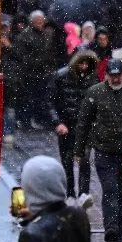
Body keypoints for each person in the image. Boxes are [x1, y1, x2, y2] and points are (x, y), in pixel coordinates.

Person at [75, 59, 122, 242]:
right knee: (110, 190)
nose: (115, 79)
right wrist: (79, 150)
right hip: (104, 150)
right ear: (106, 75)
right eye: (112, 75)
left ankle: (117, 230)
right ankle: (111, 228)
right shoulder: (95, 93)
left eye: (118, 75)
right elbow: (84, 122)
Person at [52, 52, 99, 203]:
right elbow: (51, 102)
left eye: (87, 64)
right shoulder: (61, 77)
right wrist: (58, 122)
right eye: (82, 63)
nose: (84, 67)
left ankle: (83, 194)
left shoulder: (92, 78)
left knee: (84, 160)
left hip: (84, 126)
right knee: (67, 161)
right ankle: (70, 193)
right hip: (66, 124)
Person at [11, 11, 57, 131]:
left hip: (42, 72)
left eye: (42, 21)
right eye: (37, 21)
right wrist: (35, 62)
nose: (40, 24)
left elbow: (49, 52)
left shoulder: (46, 35)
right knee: (28, 99)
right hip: (29, 73)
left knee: (41, 98)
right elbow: (20, 54)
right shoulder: (25, 35)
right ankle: (26, 121)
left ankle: (39, 119)